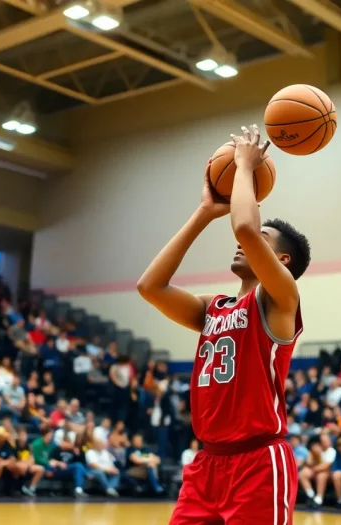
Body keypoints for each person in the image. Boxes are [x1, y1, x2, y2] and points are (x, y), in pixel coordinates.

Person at [137, 125, 309, 524]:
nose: (244, 242)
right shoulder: (213, 307)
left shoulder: (280, 300)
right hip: (207, 464)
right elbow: (150, 286)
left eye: (264, 241)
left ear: (281, 261)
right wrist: (203, 213)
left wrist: (245, 166)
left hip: (259, 463)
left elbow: (245, 227)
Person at [299, 434, 336, 508]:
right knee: (303, 472)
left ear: (330, 441)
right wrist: (313, 453)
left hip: (328, 472)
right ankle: (311, 495)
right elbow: (309, 463)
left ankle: (319, 499)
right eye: (322, 441)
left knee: (321, 475)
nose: (324, 443)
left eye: (326, 441)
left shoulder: (331, 450)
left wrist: (314, 469)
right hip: (316, 470)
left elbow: (326, 466)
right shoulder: (316, 449)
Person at [12, 427, 45, 496]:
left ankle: (31, 488)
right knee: (20, 467)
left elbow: (32, 459)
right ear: (18, 436)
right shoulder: (14, 445)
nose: (24, 437)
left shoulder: (29, 446)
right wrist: (24, 463)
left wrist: (26, 463)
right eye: (22, 435)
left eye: (25, 435)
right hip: (17, 466)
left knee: (40, 469)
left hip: (27, 465)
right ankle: (16, 488)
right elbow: (14, 460)